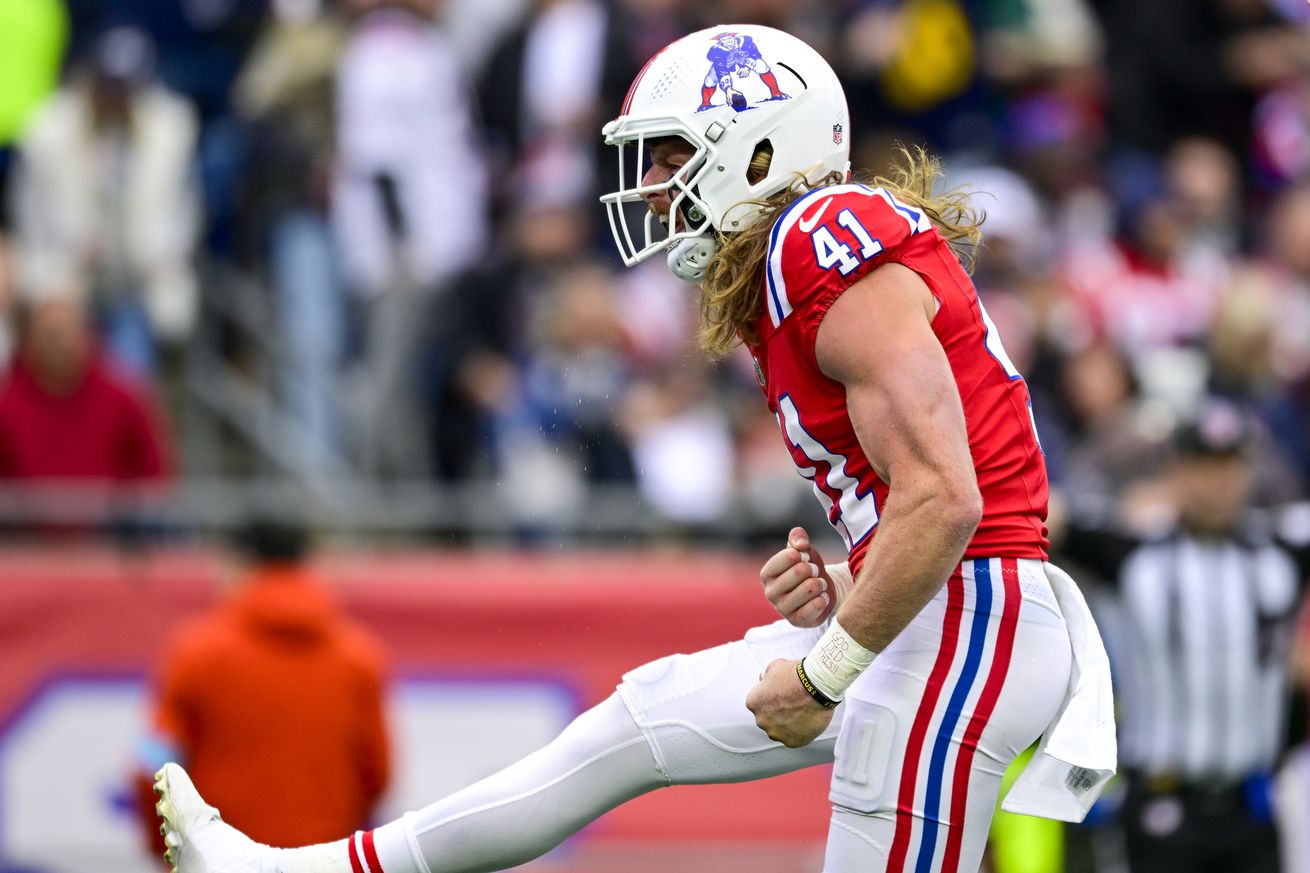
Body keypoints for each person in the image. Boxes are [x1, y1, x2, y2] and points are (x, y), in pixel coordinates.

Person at [153, 24, 1114, 873]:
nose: (654, 191)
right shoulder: (806, 254)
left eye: (670, 156)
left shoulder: (821, 232)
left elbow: (949, 500)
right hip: (944, 614)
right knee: (631, 725)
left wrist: (827, 669)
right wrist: (852, 573)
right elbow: (940, 486)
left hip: (969, 625)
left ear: (761, 142)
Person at [1057, 400, 1310, 873]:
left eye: (1229, 468)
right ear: (1174, 471)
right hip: (1161, 801)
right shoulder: (1133, 554)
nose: (1217, 484)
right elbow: (1047, 515)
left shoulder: (1280, 553)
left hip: (1253, 808)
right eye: (1202, 467)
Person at [140, 514, 391, 852]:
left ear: (241, 562)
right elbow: (376, 773)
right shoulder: (359, 656)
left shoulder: (196, 651)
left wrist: (170, 852)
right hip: (323, 860)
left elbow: (153, 769)